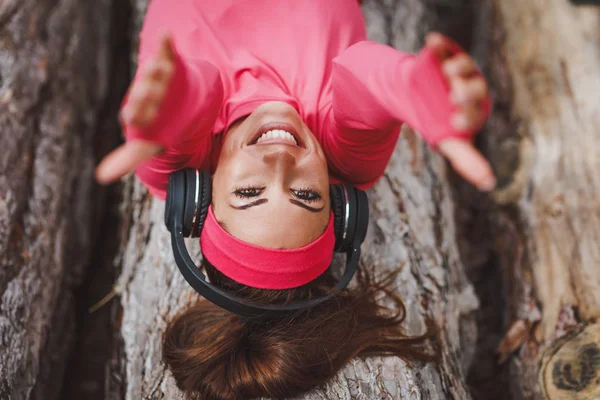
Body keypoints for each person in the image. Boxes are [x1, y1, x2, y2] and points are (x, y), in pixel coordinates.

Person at [96, 0, 493, 398]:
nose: (281, 162)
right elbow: (367, 79)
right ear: (339, 205)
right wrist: (415, 88)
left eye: (249, 193)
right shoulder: (342, 157)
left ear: (202, 198)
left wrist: (170, 107)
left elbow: (192, 96)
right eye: (306, 195)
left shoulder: (180, 160)